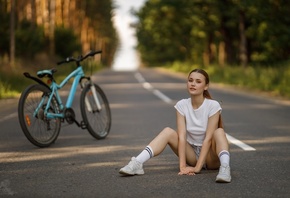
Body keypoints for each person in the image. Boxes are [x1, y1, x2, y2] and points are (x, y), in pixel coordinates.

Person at [119, 69, 231, 183]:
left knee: (219, 132)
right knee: (168, 131)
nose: (193, 84)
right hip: (192, 154)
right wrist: (182, 166)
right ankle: (137, 163)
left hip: (210, 157)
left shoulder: (213, 105)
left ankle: (225, 168)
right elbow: (181, 137)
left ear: (206, 86)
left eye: (198, 81)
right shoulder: (182, 105)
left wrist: (197, 168)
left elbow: (208, 139)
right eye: (190, 80)